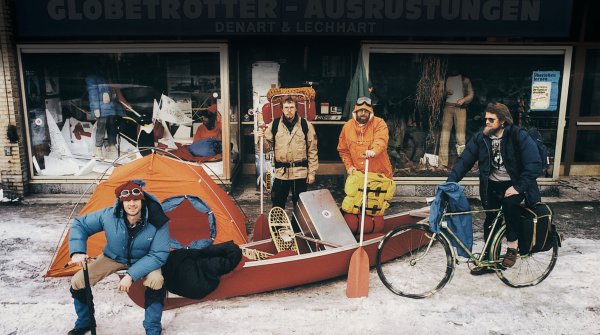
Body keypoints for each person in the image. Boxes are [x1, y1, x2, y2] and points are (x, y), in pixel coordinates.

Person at [447, 102, 542, 275]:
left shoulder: (518, 135)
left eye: (492, 120)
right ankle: (490, 261)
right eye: (486, 119)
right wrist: (449, 183)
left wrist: (519, 187)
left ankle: (513, 247)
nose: (487, 123)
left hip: (515, 184)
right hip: (491, 185)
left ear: (503, 121)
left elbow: (534, 164)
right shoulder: (482, 137)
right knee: (490, 221)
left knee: (509, 206)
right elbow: (464, 161)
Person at [67, 179, 170, 335]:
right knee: (78, 281)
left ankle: (153, 328)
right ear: (121, 202)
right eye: (127, 200)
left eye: (136, 199)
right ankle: (85, 322)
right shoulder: (109, 215)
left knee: (156, 281)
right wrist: (77, 251)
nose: (132, 204)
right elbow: (80, 224)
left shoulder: (157, 220)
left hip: (145, 259)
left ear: (142, 200)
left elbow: (159, 254)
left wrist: (131, 275)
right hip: (113, 257)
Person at [256, 96, 318, 224]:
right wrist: (260, 139)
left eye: (291, 107)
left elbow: (312, 151)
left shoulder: (306, 125)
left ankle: (298, 231)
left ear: (296, 109)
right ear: (282, 109)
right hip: (281, 173)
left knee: (299, 206)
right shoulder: (274, 125)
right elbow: (266, 149)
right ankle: (278, 231)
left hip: (300, 172)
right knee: (277, 204)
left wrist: (312, 173)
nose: (289, 110)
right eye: (286, 108)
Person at [337, 96, 393, 179]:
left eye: (366, 111)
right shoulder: (347, 126)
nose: (363, 113)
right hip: (358, 176)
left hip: (380, 175)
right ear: (355, 111)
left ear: (370, 112)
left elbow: (381, 139)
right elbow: (343, 150)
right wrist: (349, 166)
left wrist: (374, 151)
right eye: (360, 110)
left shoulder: (379, 123)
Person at [438, 70, 474, 168]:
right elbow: (439, 94)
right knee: (444, 137)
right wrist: (445, 93)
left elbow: (471, 94)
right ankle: (442, 164)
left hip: (460, 109)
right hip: (448, 107)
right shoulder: (444, 79)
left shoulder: (465, 79)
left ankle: (462, 164)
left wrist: (464, 100)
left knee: (460, 137)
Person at [85, 74, 125, 159]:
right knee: (101, 128)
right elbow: (93, 93)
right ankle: (98, 149)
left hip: (109, 105)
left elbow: (111, 89)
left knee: (112, 125)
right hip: (101, 107)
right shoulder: (92, 77)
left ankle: (112, 145)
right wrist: (96, 108)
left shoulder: (105, 76)